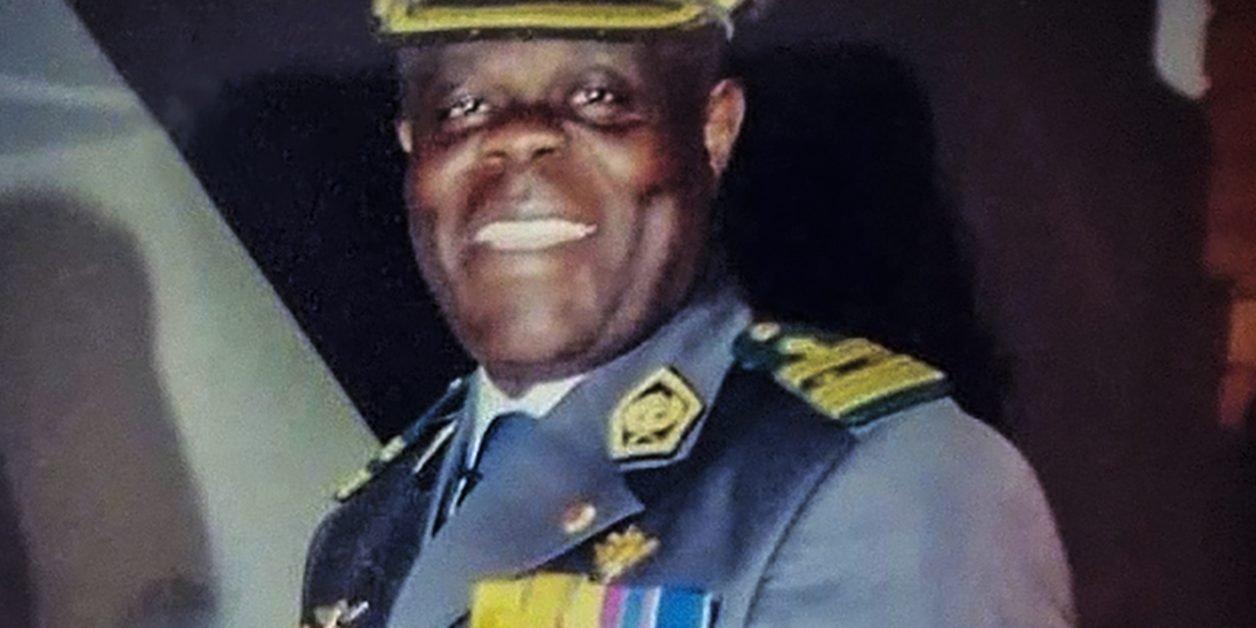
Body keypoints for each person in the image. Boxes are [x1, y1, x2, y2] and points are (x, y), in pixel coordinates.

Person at [302, 1, 1074, 626]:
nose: (519, 138)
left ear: (712, 131)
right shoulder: (367, 525)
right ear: (412, 148)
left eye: (599, 98)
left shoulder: (891, 482)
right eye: (463, 106)